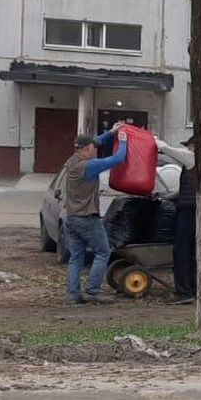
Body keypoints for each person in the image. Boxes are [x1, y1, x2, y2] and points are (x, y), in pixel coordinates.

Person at [62, 125, 129, 305]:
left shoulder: (73, 161)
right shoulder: (89, 166)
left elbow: (96, 140)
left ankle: (72, 294)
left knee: (76, 257)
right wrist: (123, 140)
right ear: (88, 149)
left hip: (72, 217)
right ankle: (92, 291)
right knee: (102, 252)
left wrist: (111, 133)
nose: (96, 149)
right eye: (94, 148)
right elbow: (118, 158)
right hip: (87, 218)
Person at [157, 136, 197, 304]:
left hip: (189, 212)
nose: (187, 149)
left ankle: (184, 292)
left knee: (182, 251)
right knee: (193, 252)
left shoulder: (193, 158)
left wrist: (155, 141)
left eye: (189, 146)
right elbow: (186, 189)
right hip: (196, 210)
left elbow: (170, 150)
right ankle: (194, 288)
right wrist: (167, 196)